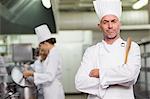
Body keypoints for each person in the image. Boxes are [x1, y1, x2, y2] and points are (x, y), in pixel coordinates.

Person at [75, 0, 141, 99]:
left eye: (113, 21)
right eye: (105, 22)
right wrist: (118, 80)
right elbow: (80, 83)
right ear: (99, 26)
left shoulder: (132, 46)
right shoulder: (91, 51)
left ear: (120, 24)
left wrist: (100, 73)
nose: (110, 26)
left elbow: (130, 76)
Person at [23, 24, 64, 99]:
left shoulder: (53, 55)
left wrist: (32, 74)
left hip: (53, 92)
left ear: (45, 43)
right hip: (50, 90)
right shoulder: (51, 54)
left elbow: (49, 76)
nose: (40, 48)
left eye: (40, 46)